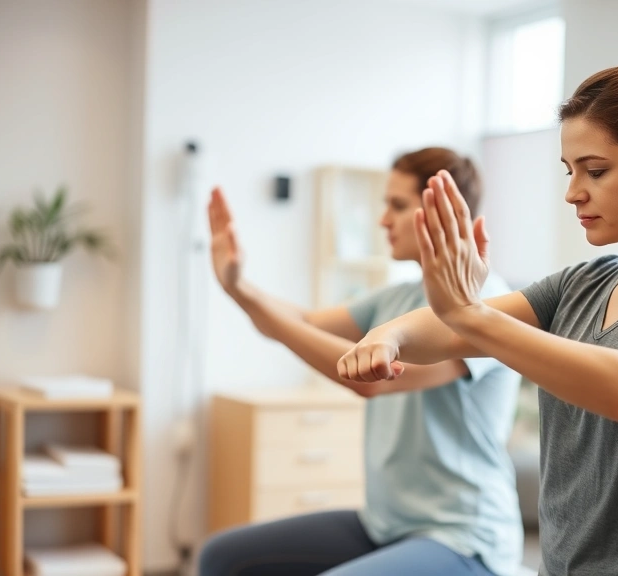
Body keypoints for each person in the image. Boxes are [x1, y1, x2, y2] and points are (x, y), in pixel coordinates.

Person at [338, 63, 618, 575]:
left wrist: (470, 314)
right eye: (569, 170)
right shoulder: (583, 283)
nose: (573, 191)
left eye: (595, 170)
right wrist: (389, 335)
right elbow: (449, 329)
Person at [198, 147, 523, 576]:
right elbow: (303, 322)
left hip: (464, 536)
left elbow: (374, 380)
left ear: (443, 214)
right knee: (221, 558)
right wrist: (240, 288)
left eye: (397, 205)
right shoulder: (397, 298)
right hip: (385, 524)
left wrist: (261, 309)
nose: (383, 219)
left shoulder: (486, 307)